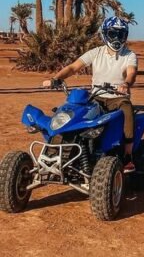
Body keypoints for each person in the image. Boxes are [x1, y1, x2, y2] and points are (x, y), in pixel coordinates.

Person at [42, 16, 138, 172]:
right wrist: (56, 79)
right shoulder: (96, 53)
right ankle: (55, 152)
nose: (116, 38)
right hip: (96, 97)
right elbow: (73, 67)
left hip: (118, 98)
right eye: (113, 34)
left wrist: (126, 84)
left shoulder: (129, 55)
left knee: (127, 111)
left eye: (120, 35)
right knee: (73, 111)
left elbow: (131, 73)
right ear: (105, 34)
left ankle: (128, 156)